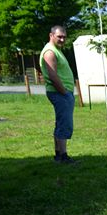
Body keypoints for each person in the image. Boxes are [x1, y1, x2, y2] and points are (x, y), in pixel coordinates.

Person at [39, 25, 77, 164]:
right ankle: (63, 156)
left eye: (64, 37)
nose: (62, 39)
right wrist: (64, 92)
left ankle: (58, 154)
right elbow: (53, 76)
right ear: (51, 35)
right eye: (59, 36)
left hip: (62, 93)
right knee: (65, 124)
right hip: (59, 93)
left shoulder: (56, 50)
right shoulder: (50, 52)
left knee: (61, 122)